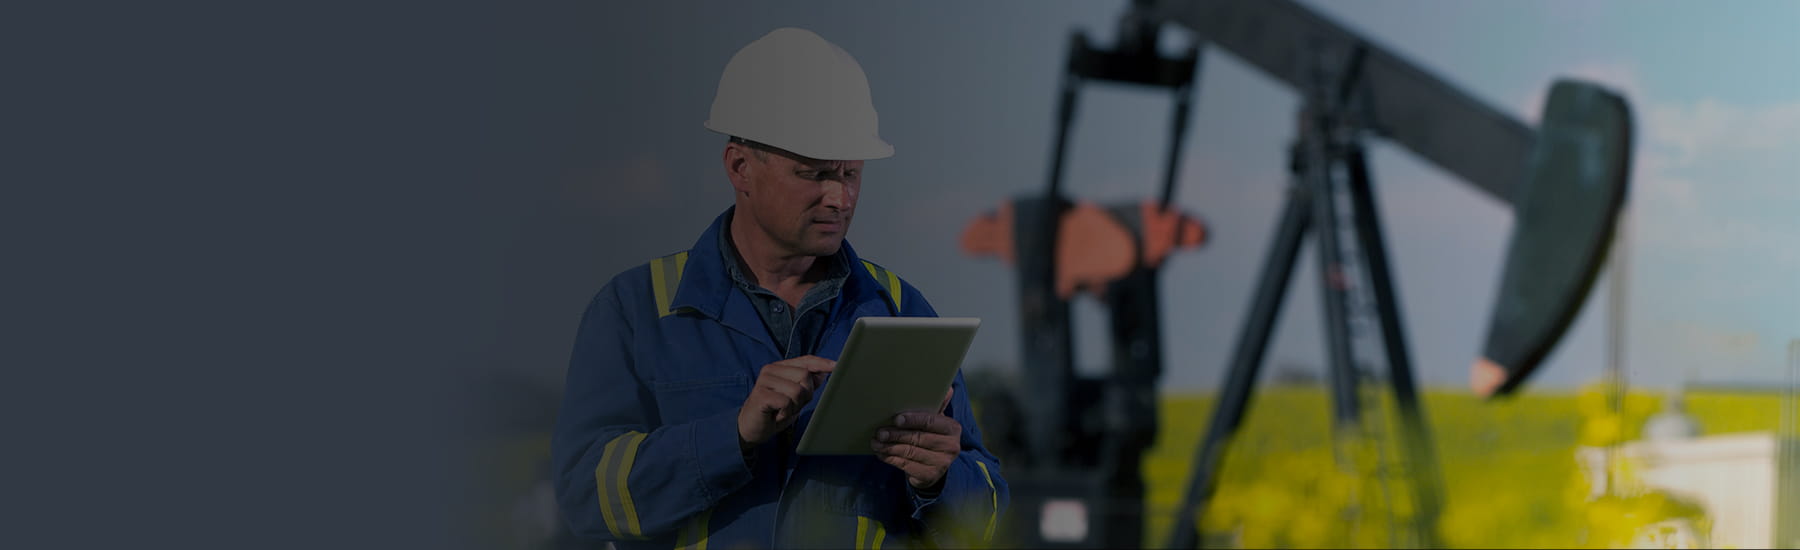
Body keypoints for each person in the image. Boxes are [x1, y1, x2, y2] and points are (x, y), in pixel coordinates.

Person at [552, 27, 1009, 550]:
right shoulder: (636, 310)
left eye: (851, 173)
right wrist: (733, 436)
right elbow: (583, 497)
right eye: (814, 173)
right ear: (741, 168)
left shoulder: (900, 310)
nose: (839, 197)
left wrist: (941, 478)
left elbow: (989, 516)